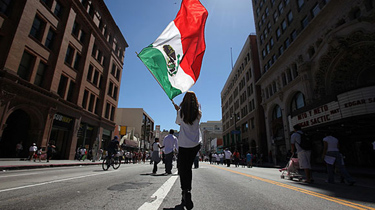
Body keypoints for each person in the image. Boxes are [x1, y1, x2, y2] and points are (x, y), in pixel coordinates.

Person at [174, 91, 202, 210]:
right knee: (188, 168)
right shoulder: (198, 113)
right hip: (195, 144)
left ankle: (185, 191)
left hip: (184, 144)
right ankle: (187, 191)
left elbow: (178, 123)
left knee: (183, 168)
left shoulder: (181, 112)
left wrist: (177, 110)